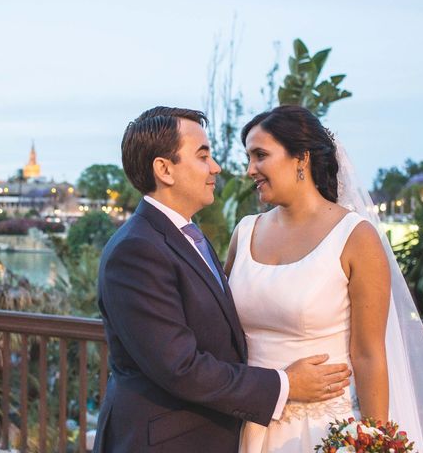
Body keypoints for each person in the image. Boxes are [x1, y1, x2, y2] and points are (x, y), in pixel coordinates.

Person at [93, 106, 352, 453]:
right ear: (164, 169)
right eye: (203, 156)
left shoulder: (186, 235)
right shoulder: (137, 250)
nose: (216, 167)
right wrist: (285, 384)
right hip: (165, 442)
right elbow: (180, 367)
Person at [226, 105, 423, 453]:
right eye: (248, 157)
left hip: (322, 432)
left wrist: (375, 441)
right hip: (247, 423)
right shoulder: (245, 232)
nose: (250, 170)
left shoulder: (355, 236)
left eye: (260, 155)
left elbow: (368, 355)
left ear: (300, 157)